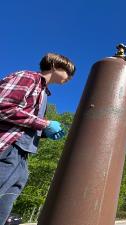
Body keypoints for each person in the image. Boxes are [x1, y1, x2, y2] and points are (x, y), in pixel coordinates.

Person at [0, 53, 75, 224]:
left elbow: (25, 123)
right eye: (69, 72)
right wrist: (44, 123)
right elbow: (3, 106)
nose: (70, 78)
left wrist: (44, 134)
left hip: (22, 156)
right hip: (7, 149)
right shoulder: (28, 77)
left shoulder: (44, 93)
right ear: (55, 65)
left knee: (4, 206)